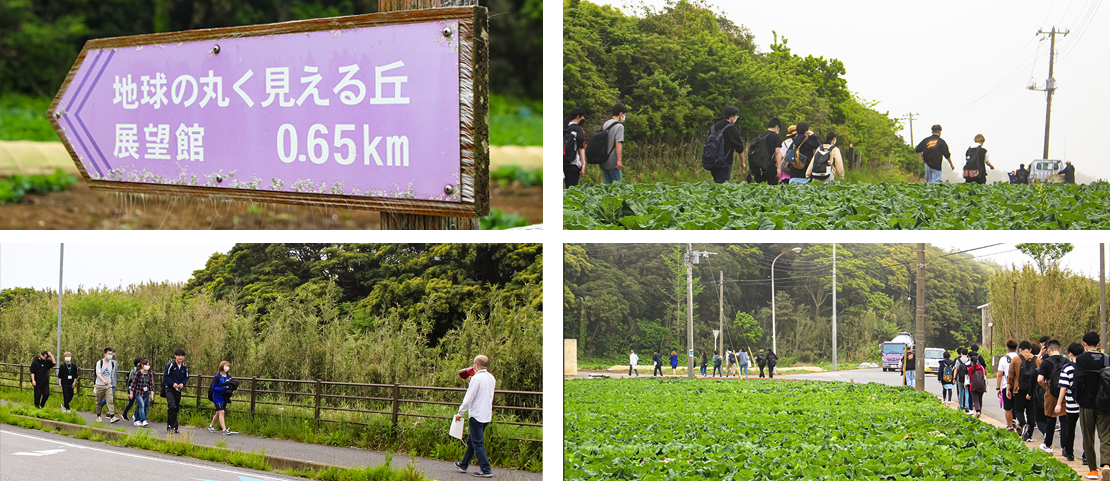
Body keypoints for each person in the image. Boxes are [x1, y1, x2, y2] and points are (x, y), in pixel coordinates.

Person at [1073, 332, 1110, 480]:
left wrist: (1077, 398)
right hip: (1105, 403)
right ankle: (1106, 465)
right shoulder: (1107, 359)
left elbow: (1077, 381)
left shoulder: (1081, 359)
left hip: (1086, 403)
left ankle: (1093, 470)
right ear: (1099, 344)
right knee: (1106, 435)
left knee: (1088, 436)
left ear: (1084, 344)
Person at [454, 355, 496, 478]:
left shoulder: (476, 379)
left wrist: (460, 413)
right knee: (472, 440)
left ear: (476, 364)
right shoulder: (491, 378)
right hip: (487, 415)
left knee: (477, 443)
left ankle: (486, 470)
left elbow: (468, 399)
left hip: (476, 415)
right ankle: (463, 464)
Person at [1056, 342, 1084, 462]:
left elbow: (1063, 387)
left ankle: (1069, 453)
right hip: (1085, 404)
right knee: (1086, 431)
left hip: (1071, 403)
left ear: (1070, 353)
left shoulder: (1067, 368)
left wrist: (1058, 403)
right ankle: (1086, 456)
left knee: (1069, 428)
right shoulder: (1085, 366)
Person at [1037, 340, 1066, 454]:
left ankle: (1048, 445)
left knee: (1050, 418)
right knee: (1064, 420)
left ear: (1048, 350)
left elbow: (1039, 379)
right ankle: (1065, 447)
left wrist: (1046, 386)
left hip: (1050, 392)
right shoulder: (1066, 361)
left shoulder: (1046, 362)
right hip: (1064, 393)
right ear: (1059, 349)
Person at [705, 106, 745, 184]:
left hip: (712, 162)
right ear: (732, 116)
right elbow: (739, 148)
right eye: (736, 116)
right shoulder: (731, 129)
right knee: (722, 187)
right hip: (724, 162)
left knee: (716, 183)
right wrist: (742, 162)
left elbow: (708, 144)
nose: (736, 117)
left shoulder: (714, 127)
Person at [1008, 341, 1039, 442]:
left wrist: (1008, 388)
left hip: (1019, 389)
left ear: (1019, 349)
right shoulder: (1037, 359)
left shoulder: (1016, 359)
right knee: (1031, 411)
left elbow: (1011, 375)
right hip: (1033, 390)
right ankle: (1029, 435)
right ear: (1030, 349)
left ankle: (1022, 423)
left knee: (1018, 410)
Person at [746, 118, 783, 185]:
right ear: (776, 126)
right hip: (770, 165)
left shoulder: (761, 136)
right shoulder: (776, 137)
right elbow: (777, 152)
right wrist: (778, 168)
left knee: (759, 187)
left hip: (759, 166)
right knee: (773, 188)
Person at [598, 103, 628, 184]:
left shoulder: (605, 124)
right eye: (624, 115)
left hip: (603, 159)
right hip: (612, 160)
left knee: (607, 186)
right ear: (620, 114)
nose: (624, 117)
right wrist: (619, 160)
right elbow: (618, 143)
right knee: (617, 187)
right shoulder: (619, 126)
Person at [164, 348, 189, 434]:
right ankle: (170, 425)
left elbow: (186, 377)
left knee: (176, 408)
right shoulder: (170, 365)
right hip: (169, 389)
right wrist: (172, 383)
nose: (180, 357)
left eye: (182, 356)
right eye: (178, 355)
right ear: (175, 356)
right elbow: (165, 376)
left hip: (178, 390)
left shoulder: (184, 367)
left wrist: (183, 383)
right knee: (172, 406)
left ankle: (174, 426)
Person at [208, 361, 238, 435]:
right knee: (222, 412)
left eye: (228, 366)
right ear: (222, 366)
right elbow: (214, 387)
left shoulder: (228, 376)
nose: (227, 367)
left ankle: (211, 426)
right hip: (217, 397)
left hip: (224, 397)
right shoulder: (217, 376)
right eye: (226, 365)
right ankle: (224, 430)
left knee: (218, 413)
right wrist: (224, 388)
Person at [997, 339, 1020, 432]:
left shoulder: (1003, 359)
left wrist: (998, 388)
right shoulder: (1020, 357)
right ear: (1017, 348)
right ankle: (1019, 423)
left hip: (1007, 386)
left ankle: (1010, 426)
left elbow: (999, 374)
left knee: (1008, 408)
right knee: (1019, 407)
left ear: (1007, 348)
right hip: (1019, 386)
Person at [94, 347, 120, 423]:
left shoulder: (112, 363)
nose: (110, 355)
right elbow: (98, 373)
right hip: (99, 385)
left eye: (111, 354)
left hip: (108, 385)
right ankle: (98, 416)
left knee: (110, 400)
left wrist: (110, 381)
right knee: (99, 402)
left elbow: (112, 374)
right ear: (105, 354)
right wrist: (103, 380)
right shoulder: (100, 362)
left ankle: (112, 416)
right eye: (109, 354)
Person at [563, 107, 587, 188]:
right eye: (583, 117)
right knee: (572, 189)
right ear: (578, 116)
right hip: (573, 163)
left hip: (563, 161)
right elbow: (581, 147)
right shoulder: (579, 129)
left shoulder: (564, 127)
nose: (583, 119)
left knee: (566, 188)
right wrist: (583, 164)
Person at [129, 358, 153, 427]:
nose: (147, 366)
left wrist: (152, 393)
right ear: (142, 365)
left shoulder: (149, 374)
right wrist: (131, 393)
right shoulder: (138, 373)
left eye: (148, 365)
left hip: (145, 392)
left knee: (143, 406)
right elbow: (133, 384)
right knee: (141, 405)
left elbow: (151, 384)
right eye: (146, 364)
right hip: (138, 392)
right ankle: (143, 420)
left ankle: (137, 419)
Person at [122, 357, 141, 422]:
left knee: (139, 403)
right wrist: (129, 392)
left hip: (138, 390)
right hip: (132, 390)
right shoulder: (133, 371)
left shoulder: (142, 371)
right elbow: (129, 382)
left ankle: (135, 415)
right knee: (131, 403)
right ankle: (124, 414)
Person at [955, 348, 972, 413]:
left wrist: (954, 378)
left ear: (961, 354)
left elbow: (956, 369)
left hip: (960, 378)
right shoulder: (969, 360)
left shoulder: (958, 360)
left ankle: (960, 405)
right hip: (967, 379)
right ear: (967, 354)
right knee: (967, 393)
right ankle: (967, 406)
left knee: (961, 392)